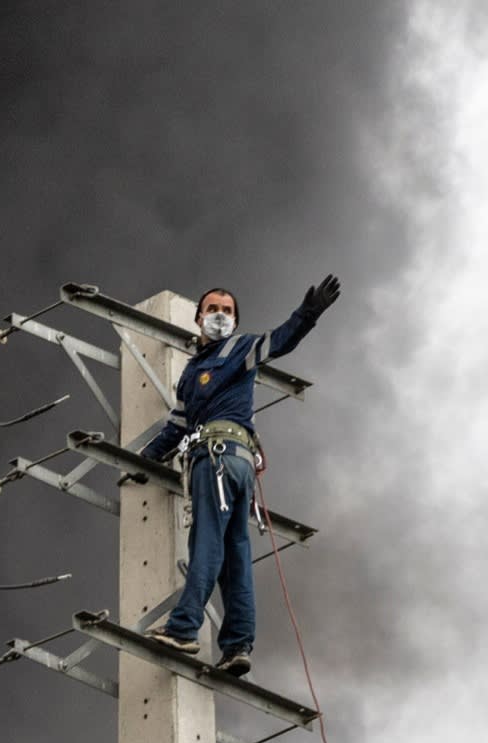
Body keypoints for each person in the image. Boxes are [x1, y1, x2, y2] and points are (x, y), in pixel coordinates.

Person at [139, 275, 341, 675]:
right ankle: (236, 647)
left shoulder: (240, 348)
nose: (219, 316)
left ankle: (183, 628)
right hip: (232, 463)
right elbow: (175, 427)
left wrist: (308, 314)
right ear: (198, 316)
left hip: (217, 458)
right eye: (213, 309)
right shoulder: (191, 373)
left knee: (208, 543)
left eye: (226, 310)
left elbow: (280, 340)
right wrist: (145, 461)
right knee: (234, 556)